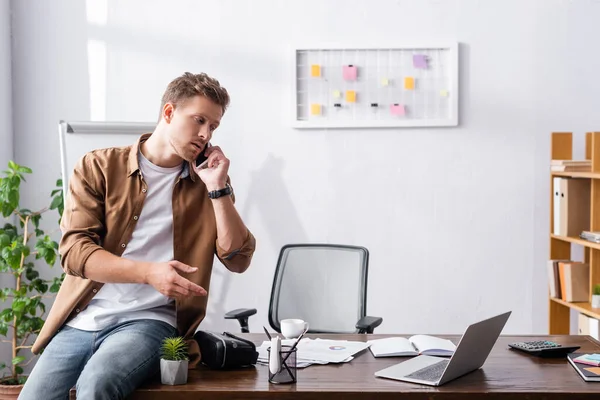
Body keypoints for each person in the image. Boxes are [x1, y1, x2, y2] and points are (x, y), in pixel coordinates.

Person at [19, 72, 256, 400]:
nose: (205, 134)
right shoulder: (98, 166)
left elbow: (239, 259)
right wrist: (149, 273)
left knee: (97, 384)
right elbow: (75, 253)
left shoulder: (207, 182)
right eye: (199, 120)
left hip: (151, 320)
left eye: (213, 127)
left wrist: (217, 187)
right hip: (85, 315)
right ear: (169, 113)